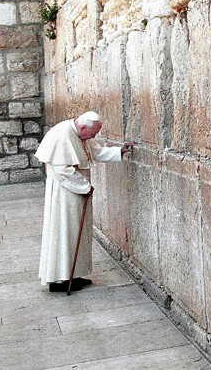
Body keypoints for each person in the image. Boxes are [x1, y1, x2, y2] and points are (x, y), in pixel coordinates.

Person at [35, 111, 134, 292]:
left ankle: (74, 274)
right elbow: (62, 171)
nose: (94, 137)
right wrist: (85, 186)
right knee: (65, 233)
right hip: (64, 195)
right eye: (93, 133)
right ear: (82, 128)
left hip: (75, 192)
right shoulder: (63, 134)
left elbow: (96, 152)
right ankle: (60, 280)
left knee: (76, 233)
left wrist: (119, 151)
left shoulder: (79, 134)